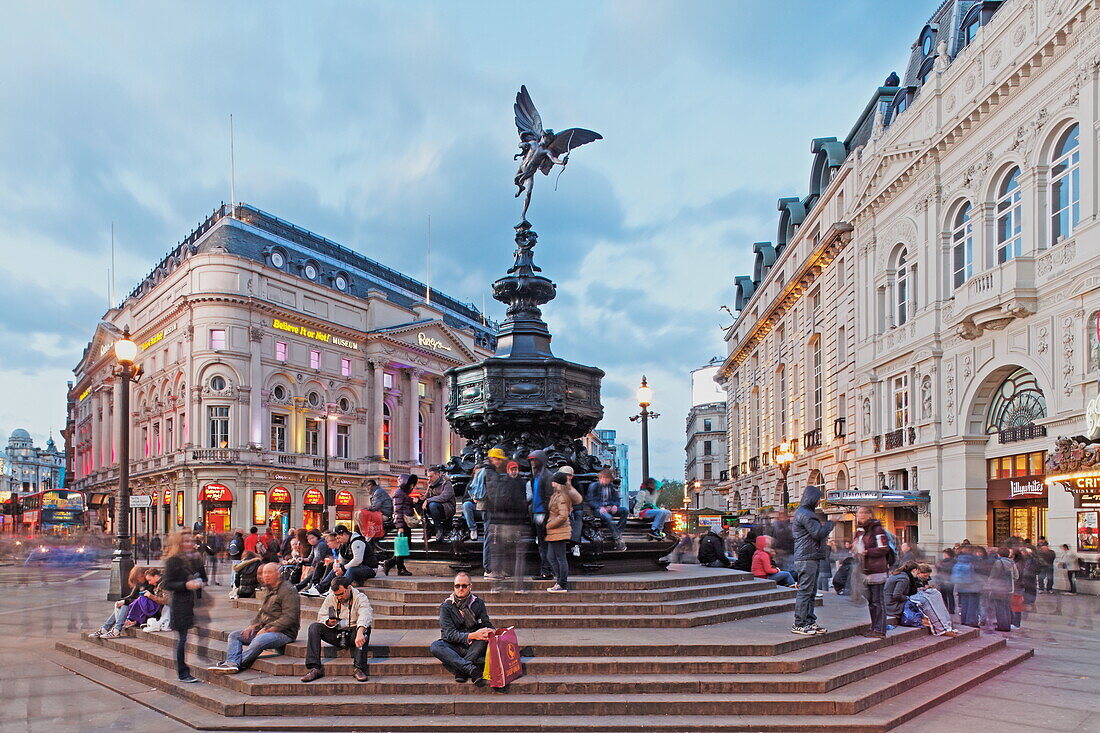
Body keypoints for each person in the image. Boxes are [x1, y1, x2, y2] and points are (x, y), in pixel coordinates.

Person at [208, 563, 300, 674]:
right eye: (263, 573)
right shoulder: (269, 588)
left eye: (269, 573)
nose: (265, 576)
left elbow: (289, 617)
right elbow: (262, 613)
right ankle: (232, 663)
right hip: (264, 628)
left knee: (259, 640)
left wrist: (267, 629)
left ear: (278, 574)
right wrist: (252, 626)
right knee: (235, 635)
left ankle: (235, 663)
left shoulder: (288, 590)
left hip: (284, 633)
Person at [300, 577, 373, 682]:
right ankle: (314, 668)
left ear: (348, 588)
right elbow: (321, 615)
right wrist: (328, 622)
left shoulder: (360, 597)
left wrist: (360, 631)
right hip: (336, 632)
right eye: (336, 595)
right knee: (314, 627)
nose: (339, 597)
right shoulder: (331, 598)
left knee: (365, 629)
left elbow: (365, 614)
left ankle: (359, 668)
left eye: (341, 594)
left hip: (354, 633)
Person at [428, 572, 492, 685]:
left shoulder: (478, 603)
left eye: (464, 586)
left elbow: (486, 623)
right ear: (454, 587)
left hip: (473, 645)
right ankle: (471, 669)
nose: (460, 589)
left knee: (483, 640)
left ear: (470, 586)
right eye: (457, 586)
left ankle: (461, 670)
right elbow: (450, 634)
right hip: (453, 645)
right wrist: (473, 635)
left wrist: (491, 631)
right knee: (435, 646)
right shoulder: (446, 606)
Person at [162, 529, 207, 683]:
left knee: (187, 636)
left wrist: (200, 581)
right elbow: (167, 583)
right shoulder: (173, 560)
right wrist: (186, 584)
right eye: (186, 541)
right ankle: (183, 672)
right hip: (180, 603)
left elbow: (203, 576)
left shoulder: (194, 558)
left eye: (191, 541)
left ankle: (187, 668)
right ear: (179, 543)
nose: (190, 544)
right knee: (182, 638)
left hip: (192, 602)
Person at [791, 485, 835, 635]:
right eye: (817, 499)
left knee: (810, 591)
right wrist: (829, 525)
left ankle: (809, 620)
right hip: (807, 556)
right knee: (805, 591)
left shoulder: (804, 513)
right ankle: (800, 623)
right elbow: (817, 533)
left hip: (809, 555)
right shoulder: (807, 514)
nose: (818, 502)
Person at [485, 459, 529, 590]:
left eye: (515, 469)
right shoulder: (506, 483)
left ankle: (503, 585)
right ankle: (512, 585)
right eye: (512, 469)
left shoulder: (514, 483)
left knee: (503, 555)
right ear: (508, 470)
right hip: (510, 523)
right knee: (513, 555)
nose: (514, 472)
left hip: (507, 522)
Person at [852, 506, 891, 638]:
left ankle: (880, 629)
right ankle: (874, 627)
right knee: (871, 601)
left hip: (877, 570)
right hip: (865, 570)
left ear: (870, 514)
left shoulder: (877, 529)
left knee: (877, 600)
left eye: (863, 512)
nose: (860, 515)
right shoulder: (859, 531)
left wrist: (867, 552)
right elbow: (857, 544)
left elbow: (884, 548)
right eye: (859, 512)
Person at [89, 565, 150, 638]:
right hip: (136, 607)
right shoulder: (139, 584)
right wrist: (121, 600)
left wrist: (125, 602)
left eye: (139, 577)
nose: (138, 579)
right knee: (123, 604)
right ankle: (106, 628)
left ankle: (115, 630)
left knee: (125, 605)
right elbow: (131, 596)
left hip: (142, 610)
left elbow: (140, 600)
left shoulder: (149, 585)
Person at [545, 470, 580, 592]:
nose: (551, 483)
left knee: (559, 557)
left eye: (553, 481)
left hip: (559, 530)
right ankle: (559, 581)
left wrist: (549, 525)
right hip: (555, 531)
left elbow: (563, 515)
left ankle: (562, 583)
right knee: (552, 557)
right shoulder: (558, 494)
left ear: (557, 482)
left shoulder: (561, 496)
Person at [527, 450, 556, 579]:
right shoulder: (537, 476)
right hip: (536, 513)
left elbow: (549, 497)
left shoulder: (547, 476)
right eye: (531, 460)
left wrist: (545, 513)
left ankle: (546, 570)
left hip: (543, 514)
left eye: (534, 460)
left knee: (544, 545)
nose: (532, 463)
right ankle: (546, 569)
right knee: (542, 545)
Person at [910, 563, 961, 637]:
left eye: (928, 576)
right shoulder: (913, 579)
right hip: (916, 596)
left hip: (922, 593)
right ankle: (940, 628)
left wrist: (926, 587)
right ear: (919, 573)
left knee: (937, 594)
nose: (927, 578)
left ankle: (946, 624)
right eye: (925, 576)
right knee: (928, 601)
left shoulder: (923, 579)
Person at [382, 474, 417, 576]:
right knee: (403, 546)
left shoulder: (403, 494)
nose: (412, 486)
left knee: (405, 546)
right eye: (410, 484)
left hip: (405, 523)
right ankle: (398, 567)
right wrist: (400, 526)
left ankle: (393, 564)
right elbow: (397, 510)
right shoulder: (399, 493)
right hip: (403, 523)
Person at [586, 468, 627, 552]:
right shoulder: (594, 486)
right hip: (598, 510)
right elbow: (591, 501)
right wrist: (600, 507)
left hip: (609, 508)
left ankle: (617, 532)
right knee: (608, 517)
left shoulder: (611, 487)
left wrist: (614, 505)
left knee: (625, 511)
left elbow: (616, 499)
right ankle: (617, 538)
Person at [986, 547, 1018, 632]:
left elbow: (994, 576)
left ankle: (1002, 625)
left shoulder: (998, 562)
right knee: (1006, 607)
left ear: (999, 554)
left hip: (999, 588)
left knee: (1000, 607)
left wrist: (989, 584)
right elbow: (1016, 576)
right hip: (1009, 588)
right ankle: (1007, 624)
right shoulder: (1011, 562)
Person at [424, 466, 457, 543]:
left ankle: (439, 528)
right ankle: (428, 527)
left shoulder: (447, 483)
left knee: (432, 504)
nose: (429, 479)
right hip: (436, 507)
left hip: (447, 509)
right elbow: (427, 496)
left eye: (431, 476)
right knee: (418, 504)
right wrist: (421, 498)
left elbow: (444, 497)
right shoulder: (430, 484)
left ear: (438, 475)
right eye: (428, 477)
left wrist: (428, 500)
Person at [462, 463, 487, 541]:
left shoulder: (488, 484)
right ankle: (473, 529)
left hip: (485, 508)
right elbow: (464, 499)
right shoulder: (471, 485)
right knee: (467, 505)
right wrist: (472, 500)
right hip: (475, 508)